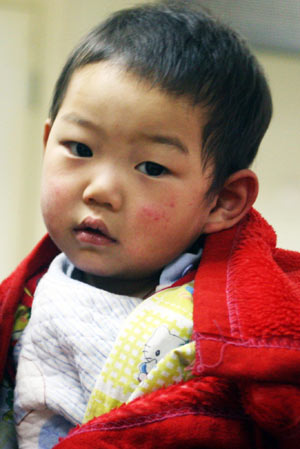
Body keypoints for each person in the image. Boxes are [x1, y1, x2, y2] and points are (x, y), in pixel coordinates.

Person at [1, 1, 300, 448]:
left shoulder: (219, 330)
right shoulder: (27, 298)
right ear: (47, 143)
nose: (100, 190)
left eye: (152, 167)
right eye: (80, 149)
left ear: (223, 199)